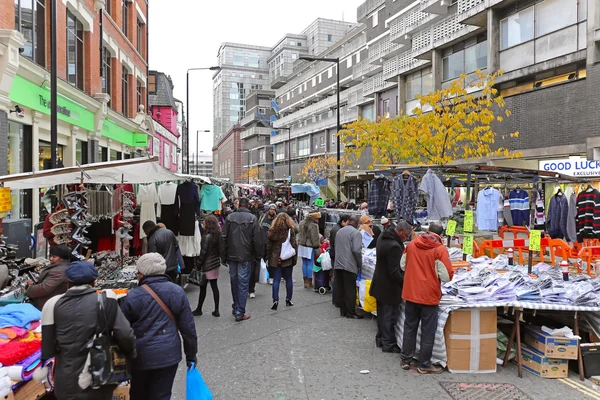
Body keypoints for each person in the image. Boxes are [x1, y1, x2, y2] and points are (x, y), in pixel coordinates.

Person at [37, 261, 135, 400]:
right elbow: (125, 334)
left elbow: (47, 348)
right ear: (94, 282)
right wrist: (130, 354)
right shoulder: (106, 301)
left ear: (67, 282)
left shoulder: (52, 304)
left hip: (66, 378)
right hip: (99, 375)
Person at [120, 253, 198, 399]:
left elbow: (123, 331)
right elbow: (188, 329)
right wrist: (191, 355)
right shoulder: (177, 291)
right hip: (168, 355)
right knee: (162, 394)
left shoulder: (132, 296)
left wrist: (124, 357)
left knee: (138, 394)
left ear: (141, 274)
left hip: (140, 356)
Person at [400, 222, 454, 374]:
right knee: (427, 330)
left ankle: (406, 359)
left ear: (428, 231)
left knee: (410, 326)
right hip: (429, 295)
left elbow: (402, 265)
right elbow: (446, 276)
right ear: (441, 235)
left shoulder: (411, 245)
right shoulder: (439, 249)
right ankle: (424, 364)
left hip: (411, 292)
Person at [370, 221, 413, 353]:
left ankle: (380, 339)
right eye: (406, 236)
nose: (406, 239)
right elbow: (394, 272)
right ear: (399, 231)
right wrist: (406, 283)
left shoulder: (383, 236)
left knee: (382, 315)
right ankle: (388, 344)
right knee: (389, 317)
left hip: (380, 283)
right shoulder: (394, 246)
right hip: (389, 287)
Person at [222, 197, 263, 322]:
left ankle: (236, 306)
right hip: (246, 255)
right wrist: (258, 255)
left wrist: (223, 256)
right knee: (243, 283)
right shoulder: (252, 219)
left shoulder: (230, 217)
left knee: (234, 282)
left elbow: (223, 237)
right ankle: (240, 311)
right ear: (248, 206)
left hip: (232, 255)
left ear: (239, 205)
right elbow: (257, 240)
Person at [266, 213, 298, 310]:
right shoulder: (290, 230)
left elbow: (269, 246)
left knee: (276, 280)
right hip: (287, 258)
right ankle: (288, 299)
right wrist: (294, 259)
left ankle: (275, 300)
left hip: (275, 258)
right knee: (288, 279)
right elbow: (294, 245)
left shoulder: (272, 231)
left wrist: (267, 257)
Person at [333, 215, 363, 319]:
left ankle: (343, 310)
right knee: (350, 289)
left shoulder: (339, 231)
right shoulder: (356, 233)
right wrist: (360, 263)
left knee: (341, 287)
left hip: (338, 263)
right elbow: (356, 250)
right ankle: (351, 312)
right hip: (349, 264)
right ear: (355, 222)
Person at [193, 215, 222, 317]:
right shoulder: (218, 234)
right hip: (215, 264)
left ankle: (199, 309)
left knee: (203, 288)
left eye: (204, 222)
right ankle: (216, 310)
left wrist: (198, 264)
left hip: (207, 265)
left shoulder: (207, 237)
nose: (203, 223)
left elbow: (203, 253)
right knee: (214, 287)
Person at [27, 245, 71, 310]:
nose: (51, 259)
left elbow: (44, 289)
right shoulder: (62, 267)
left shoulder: (59, 271)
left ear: (62, 258)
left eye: (54, 257)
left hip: (47, 306)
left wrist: (30, 287)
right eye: (50, 256)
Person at [298, 210, 321, 289]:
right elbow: (315, 238)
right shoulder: (313, 225)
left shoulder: (301, 223)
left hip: (302, 245)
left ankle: (305, 282)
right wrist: (317, 247)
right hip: (310, 246)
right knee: (310, 263)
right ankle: (309, 282)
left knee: (304, 263)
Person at [259, 204, 278, 286]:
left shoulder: (276, 220)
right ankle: (262, 275)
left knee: (271, 261)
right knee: (262, 260)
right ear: (268, 210)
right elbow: (258, 227)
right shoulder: (263, 217)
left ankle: (271, 277)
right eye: (271, 209)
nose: (272, 211)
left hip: (272, 243)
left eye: (274, 210)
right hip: (262, 242)